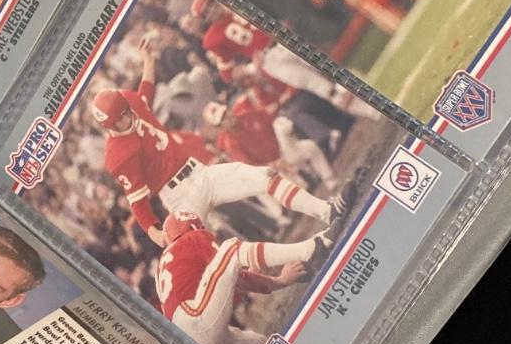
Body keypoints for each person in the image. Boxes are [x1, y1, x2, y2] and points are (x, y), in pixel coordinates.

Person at [91, 35, 349, 248]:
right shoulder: (119, 155)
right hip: (178, 196)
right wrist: (154, 232)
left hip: (199, 171)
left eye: (126, 111)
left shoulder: (132, 104)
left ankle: (326, 211)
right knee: (211, 250)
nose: (128, 117)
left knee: (265, 177)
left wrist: (148, 61)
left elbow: (144, 93)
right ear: (110, 126)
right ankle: (298, 257)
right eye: (120, 118)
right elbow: (138, 203)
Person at [156, 209, 328, 344]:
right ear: (193, 226)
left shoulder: (164, 266)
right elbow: (234, 267)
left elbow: (224, 288)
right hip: (197, 321)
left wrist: (255, 275)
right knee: (230, 248)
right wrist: (280, 281)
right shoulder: (192, 238)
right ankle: (309, 249)